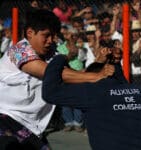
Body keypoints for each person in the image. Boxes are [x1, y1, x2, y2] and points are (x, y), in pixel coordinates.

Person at [0, 9, 114, 150]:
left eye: (53, 35)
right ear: (30, 33)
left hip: (32, 127)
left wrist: (98, 64)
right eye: (46, 36)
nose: (50, 41)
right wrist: (97, 75)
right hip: (6, 118)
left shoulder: (52, 53)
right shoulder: (18, 51)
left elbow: (72, 75)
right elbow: (51, 73)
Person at [42, 54, 141, 150]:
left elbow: (50, 93)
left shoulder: (92, 91)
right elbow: (122, 83)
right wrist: (114, 65)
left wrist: (60, 58)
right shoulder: (135, 90)